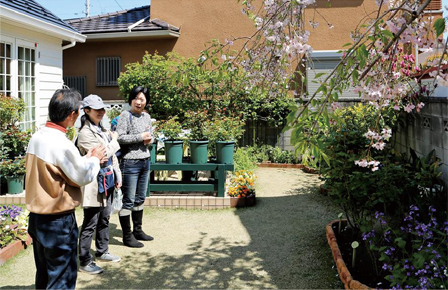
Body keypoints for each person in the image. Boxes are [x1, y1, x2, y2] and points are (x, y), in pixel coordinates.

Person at [25, 89, 106, 289]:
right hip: (58, 221)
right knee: (61, 279)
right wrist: (95, 159)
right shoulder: (61, 143)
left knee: (44, 276)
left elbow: (62, 169)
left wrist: (86, 159)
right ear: (71, 114)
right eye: (78, 111)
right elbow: (80, 177)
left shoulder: (37, 137)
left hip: (37, 218)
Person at [76, 95, 122, 275]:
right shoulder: (84, 133)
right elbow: (101, 155)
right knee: (90, 222)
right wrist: (114, 141)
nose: (102, 113)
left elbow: (110, 157)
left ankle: (102, 251)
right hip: (94, 182)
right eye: (97, 110)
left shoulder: (103, 128)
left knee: (105, 217)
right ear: (86, 111)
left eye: (103, 109)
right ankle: (85, 260)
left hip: (108, 179)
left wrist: (118, 175)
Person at [116, 86, 154, 248]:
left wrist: (149, 140)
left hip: (145, 161)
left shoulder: (146, 116)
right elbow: (120, 138)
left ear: (146, 101)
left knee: (140, 198)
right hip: (129, 163)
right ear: (131, 99)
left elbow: (149, 135)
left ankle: (138, 230)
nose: (139, 102)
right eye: (136, 98)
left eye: (142, 99)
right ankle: (127, 236)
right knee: (128, 200)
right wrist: (140, 137)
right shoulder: (125, 115)